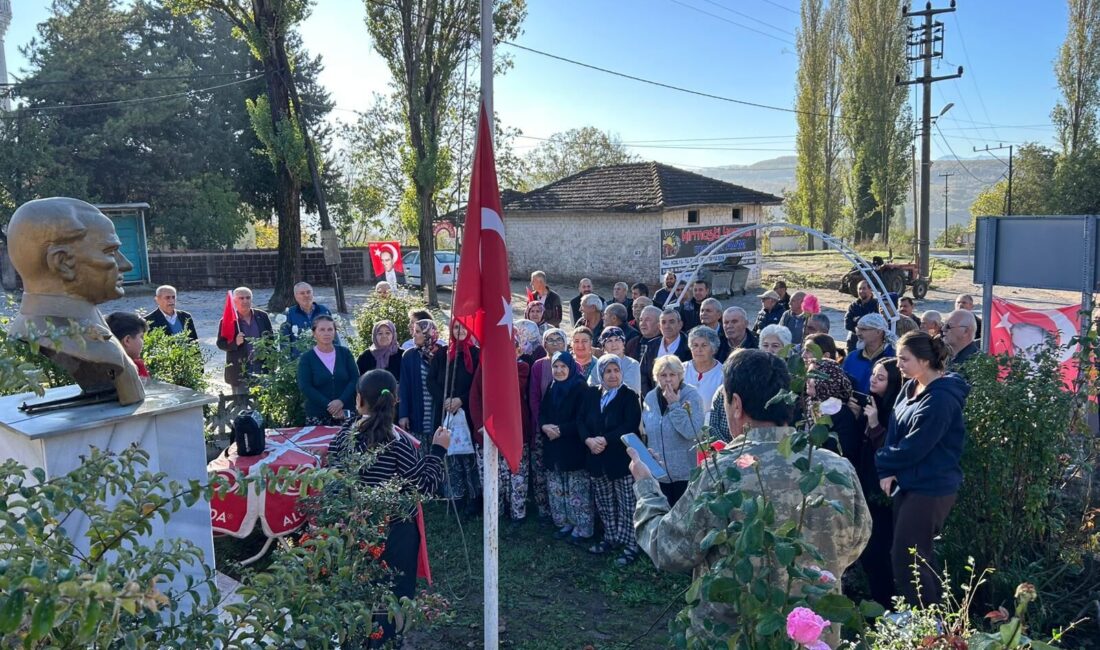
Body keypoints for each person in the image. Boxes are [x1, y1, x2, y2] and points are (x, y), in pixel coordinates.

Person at [630, 350, 871, 644]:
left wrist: (646, 488)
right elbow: (856, 541)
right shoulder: (836, 467)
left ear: (737, 405)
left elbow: (668, 550)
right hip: (811, 636)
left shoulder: (721, 472)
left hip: (736, 635)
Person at [328, 370, 450, 644]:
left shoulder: (343, 436)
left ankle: (355, 640)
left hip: (355, 530)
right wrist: (439, 451)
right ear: (395, 400)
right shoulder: (398, 443)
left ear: (358, 400)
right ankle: (385, 641)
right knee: (391, 592)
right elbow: (424, 486)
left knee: (357, 592)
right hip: (395, 532)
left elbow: (333, 481)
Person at [877, 332, 969, 606]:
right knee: (917, 556)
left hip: (932, 487)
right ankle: (938, 620)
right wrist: (887, 469)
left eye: (904, 359)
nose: (898, 365)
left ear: (925, 360)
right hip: (908, 482)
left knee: (908, 557)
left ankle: (929, 625)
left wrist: (883, 462)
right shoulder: (910, 388)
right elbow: (894, 430)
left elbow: (917, 446)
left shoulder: (941, 399)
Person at [848, 357, 903, 608]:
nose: (873, 380)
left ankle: (889, 603)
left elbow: (889, 451)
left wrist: (873, 423)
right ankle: (877, 600)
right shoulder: (872, 403)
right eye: (873, 375)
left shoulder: (894, 409)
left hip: (884, 492)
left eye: (881, 378)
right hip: (866, 486)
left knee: (880, 550)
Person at [470, 323, 534, 523]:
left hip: (513, 429)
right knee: (492, 474)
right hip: (487, 430)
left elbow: (512, 391)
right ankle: (494, 512)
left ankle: (517, 513)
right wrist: (480, 423)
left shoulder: (522, 367)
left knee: (516, 473)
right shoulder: (484, 366)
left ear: (517, 349)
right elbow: (475, 396)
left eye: (511, 347)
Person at [583, 354, 643, 565]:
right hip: (596, 458)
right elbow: (581, 421)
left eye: (616, 370)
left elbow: (630, 425)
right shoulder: (591, 395)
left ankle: (630, 544)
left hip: (620, 459)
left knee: (627, 503)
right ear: (600, 374)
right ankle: (610, 537)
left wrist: (605, 439)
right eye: (607, 371)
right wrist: (589, 440)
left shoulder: (629, 396)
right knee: (605, 501)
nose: (613, 375)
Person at [540, 350, 597, 544]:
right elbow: (543, 412)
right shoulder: (552, 386)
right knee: (558, 487)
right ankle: (565, 522)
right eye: (555, 366)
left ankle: (582, 527)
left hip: (573, 446)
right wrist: (544, 426)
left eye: (563, 366)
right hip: (554, 445)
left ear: (571, 367)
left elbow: (583, 418)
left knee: (577, 488)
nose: (559, 370)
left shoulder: (580, 387)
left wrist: (561, 430)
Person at [429, 320, 481, 516]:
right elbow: (431, 380)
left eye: (464, 328)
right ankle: (456, 497)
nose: (460, 331)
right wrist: (445, 400)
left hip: (467, 413)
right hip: (445, 412)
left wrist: (461, 399)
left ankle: (474, 499)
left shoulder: (475, 354)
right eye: (456, 328)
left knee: (469, 458)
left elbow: (478, 384)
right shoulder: (442, 354)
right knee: (451, 457)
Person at [641, 355, 705, 506]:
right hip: (659, 475)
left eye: (672, 375)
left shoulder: (692, 395)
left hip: (685, 475)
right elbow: (648, 430)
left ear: (680, 376)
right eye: (663, 375)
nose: (668, 379)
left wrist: (675, 405)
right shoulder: (650, 397)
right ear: (656, 377)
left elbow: (692, 431)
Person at [528, 327, 568, 520]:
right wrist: (542, 424)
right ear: (543, 344)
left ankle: (565, 513)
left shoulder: (572, 364)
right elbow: (534, 398)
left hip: (565, 429)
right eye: (549, 340)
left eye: (558, 339)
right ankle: (544, 511)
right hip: (541, 427)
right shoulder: (538, 366)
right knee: (540, 471)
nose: (554, 343)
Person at [297, 315, 357, 426]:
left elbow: (354, 379)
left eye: (330, 329)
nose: (326, 333)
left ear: (335, 332)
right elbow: (305, 386)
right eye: (322, 330)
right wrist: (329, 405)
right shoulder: (307, 358)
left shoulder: (345, 353)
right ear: (314, 333)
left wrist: (341, 401)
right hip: (318, 414)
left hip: (345, 412)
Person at [216, 287, 273, 394]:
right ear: (234, 301)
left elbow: (271, 340)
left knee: (263, 404)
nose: (245, 301)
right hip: (239, 370)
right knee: (241, 405)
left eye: (248, 298)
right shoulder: (228, 321)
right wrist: (234, 343)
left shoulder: (262, 316)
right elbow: (220, 343)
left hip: (261, 367)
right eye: (241, 298)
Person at [397, 319, 441, 447]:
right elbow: (404, 388)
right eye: (414, 331)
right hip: (417, 416)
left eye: (418, 332)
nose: (414, 335)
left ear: (429, 334)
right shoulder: (409, 356)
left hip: (439, 415)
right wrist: (403, 414)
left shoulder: (443, 354)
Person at [842, 313, 896, 394]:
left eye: (863, 329)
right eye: (857, 329)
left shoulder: (893, 358)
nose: (858, 333)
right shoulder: (852, 357)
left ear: (879, 332)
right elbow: (843, 385)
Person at [683, 326, 724, 418]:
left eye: (704, 345)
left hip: (710, 428)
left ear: (713, 349)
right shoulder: (680, 369)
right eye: (695, 345)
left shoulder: (723, 374)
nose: (699, 350)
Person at [591, 327, 641, 394]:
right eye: (609, 341)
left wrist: (603, 390)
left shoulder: (632, 364)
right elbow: (590, 388)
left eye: (617, 340)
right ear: (604, 347)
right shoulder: (599, 364)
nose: (614, 344)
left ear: (623, 344)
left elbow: (631, 391)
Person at [105, 311, 150, 379]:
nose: (143, 341)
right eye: (141, 337)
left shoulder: (100, 364)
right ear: (127, 340)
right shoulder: (135, 367)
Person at [632, 305, 664, 397]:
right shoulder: (633, 343)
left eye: (648, 320)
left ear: (659, 324)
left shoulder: (665, 345)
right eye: (641, 320)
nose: (642, 323)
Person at [845, 280, 880, 353]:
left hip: (871, 341)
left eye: (864, 288)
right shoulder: (853, 306)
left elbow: (878, 324)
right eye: (859, 289)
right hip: (855, 339)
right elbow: (847, 324)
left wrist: (857, 320)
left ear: (870, 290)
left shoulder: (877, 305)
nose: (861, 291)